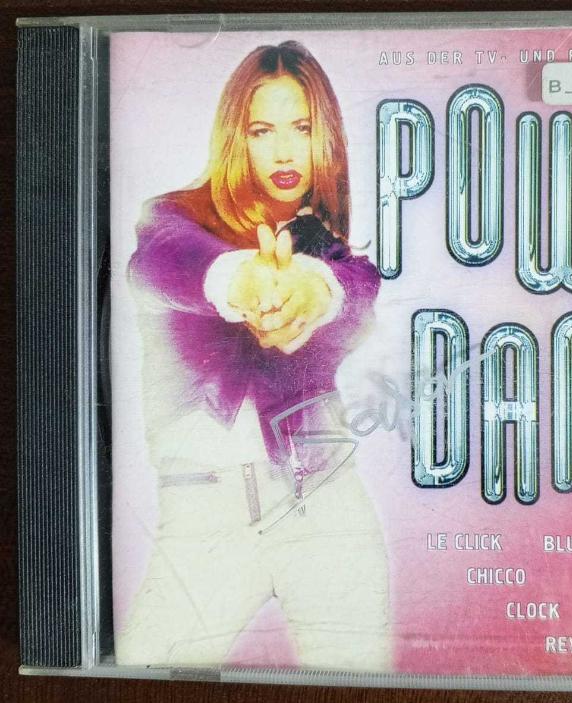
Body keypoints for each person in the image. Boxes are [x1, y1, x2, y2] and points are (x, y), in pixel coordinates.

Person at [115, 42, 390, 671]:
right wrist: (244, 282)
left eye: (302, 128)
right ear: (236, 138)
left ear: (326, 137)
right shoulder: (172, 220)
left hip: (326, 505)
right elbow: (163, 262)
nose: (285, 151)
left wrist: (313, 290)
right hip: (205, 517)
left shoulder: (336, 255)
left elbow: (355, 294)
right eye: (262, 131)